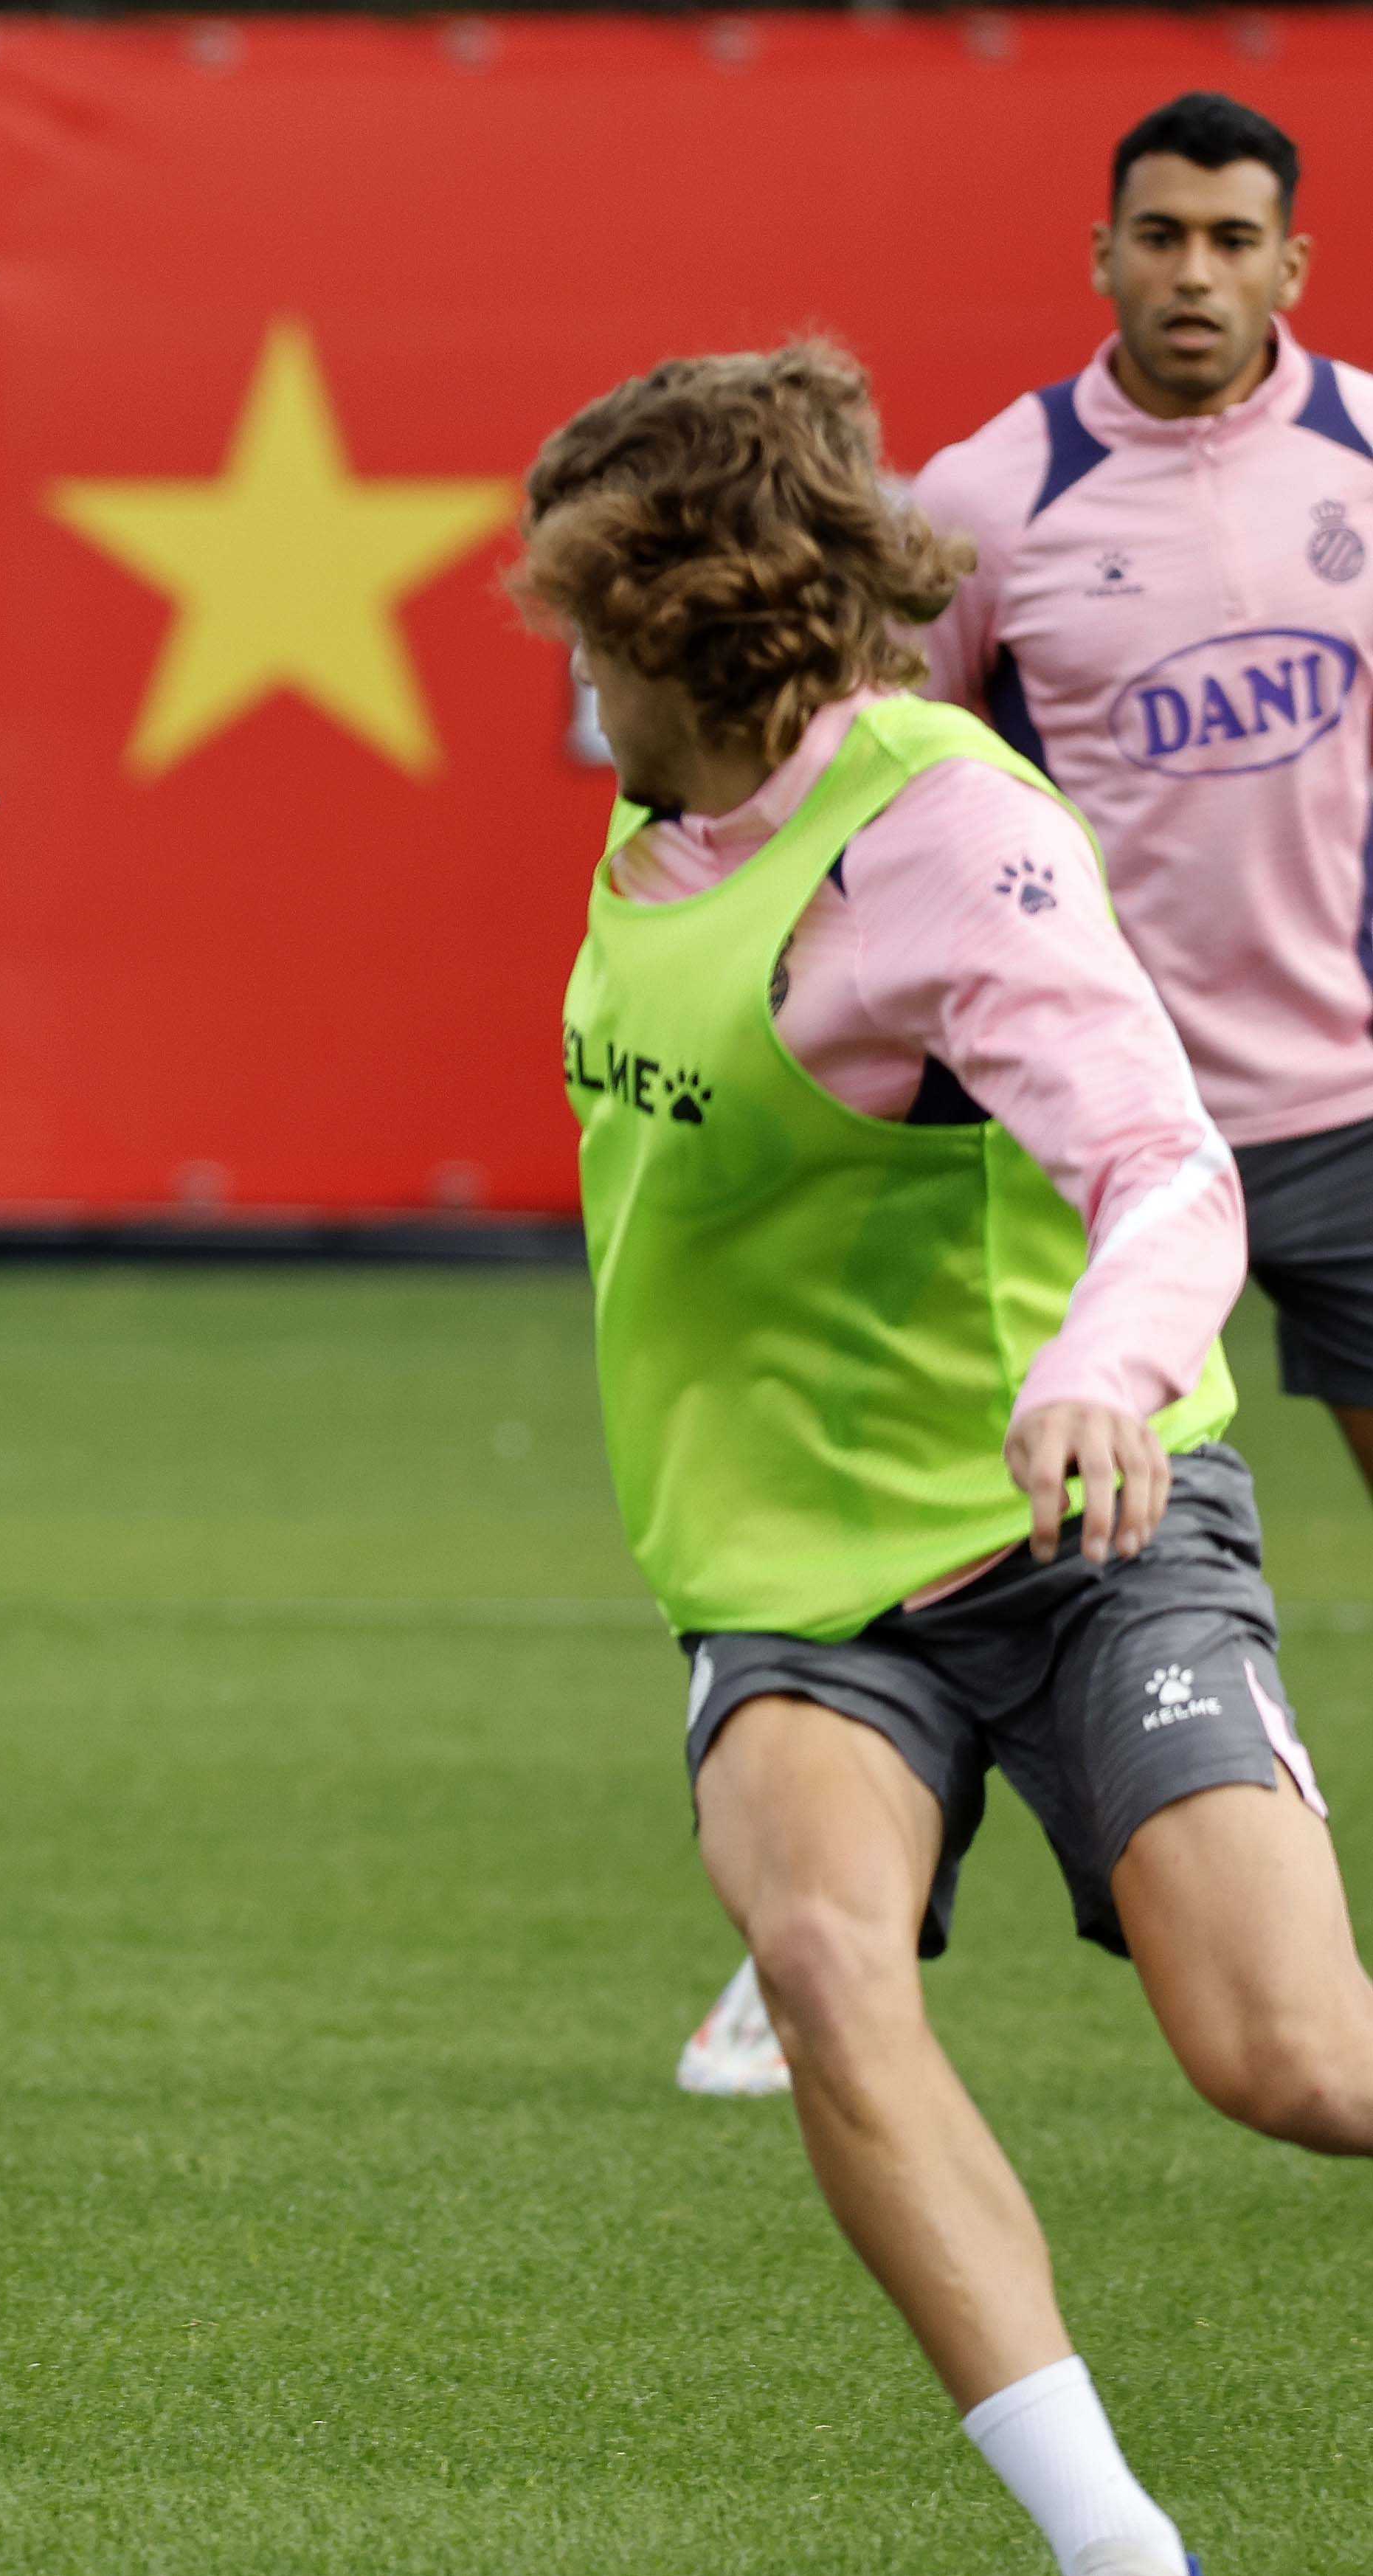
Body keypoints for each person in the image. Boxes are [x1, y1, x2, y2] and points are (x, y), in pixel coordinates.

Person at [535, 340, 1373, 2576]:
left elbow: (1164, 1166)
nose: (564, 666)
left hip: (1077, 1520)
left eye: (587, 620)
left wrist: (1104, 1366)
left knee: (1292, 2061)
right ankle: (1119, 2551)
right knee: (817, 1958)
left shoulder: (940, 834)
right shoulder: (662, 801)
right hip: (792, 1584)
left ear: (680, 618)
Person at [681, 91, 1373, 2101]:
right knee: (980, 1540)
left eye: (1230, 241)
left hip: (1334, 1108)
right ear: (1100, 255)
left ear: (1287, 265)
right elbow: (861, 765)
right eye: (1154, 236)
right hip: (1067, 1152)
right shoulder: (989, 502)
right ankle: (829, 1937)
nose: (1189, 275)